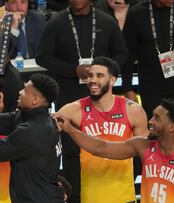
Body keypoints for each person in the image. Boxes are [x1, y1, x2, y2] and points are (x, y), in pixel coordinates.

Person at [35, 1, 127, 201]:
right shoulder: (56, 22)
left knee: (104, 145)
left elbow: (121, 53)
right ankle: (74, 198)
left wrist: (103, 72)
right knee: (70, 151)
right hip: (69, 95)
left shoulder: (106, 20)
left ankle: (108, 194)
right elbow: (42, 57)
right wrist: (72, 70)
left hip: (101, 99)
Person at [55, 98, 174, 203]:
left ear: (172, 127)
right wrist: (70, 130)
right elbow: (101, 148)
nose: (150, 121)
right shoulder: (143, 146)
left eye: (157, 118)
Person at [56, 57, 148, 203]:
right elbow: (46, 130)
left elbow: (146, 155)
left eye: (99, 76)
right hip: (90, 197)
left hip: (125, 197)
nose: (93, 80)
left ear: (112, 80)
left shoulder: (133, 110)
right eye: (90, 75)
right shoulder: (75, 109)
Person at [0, 73, 64, 202]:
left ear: (35, 100)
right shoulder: (30, 117)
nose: (20, 92)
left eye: (25, 90)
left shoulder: (33, 130)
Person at [121, 0, 174, 118]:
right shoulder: (136, 13)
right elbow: (128, 53)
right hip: (151, 86)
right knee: (156, 129)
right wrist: (127, 88)